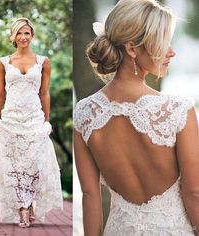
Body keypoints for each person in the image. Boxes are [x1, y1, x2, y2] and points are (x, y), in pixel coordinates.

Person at [73, 0, 199, 235]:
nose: (171, 51)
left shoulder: (84, 113)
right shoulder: (178, 110)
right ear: (132, 49)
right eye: (162, 43)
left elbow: (90, 196)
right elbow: (194, 193)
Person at [0, 17, 63, 228]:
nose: (23, 37)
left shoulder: (43, 62)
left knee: (33, 163)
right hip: (10, 119)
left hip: (34, 119)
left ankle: (30, 204)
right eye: (19, 33)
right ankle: (22, 208)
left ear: (32, 35)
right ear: (13, 36)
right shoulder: (3, 62)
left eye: (27, 33)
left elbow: (45, 93)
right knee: (13, 164)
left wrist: (46, 121)